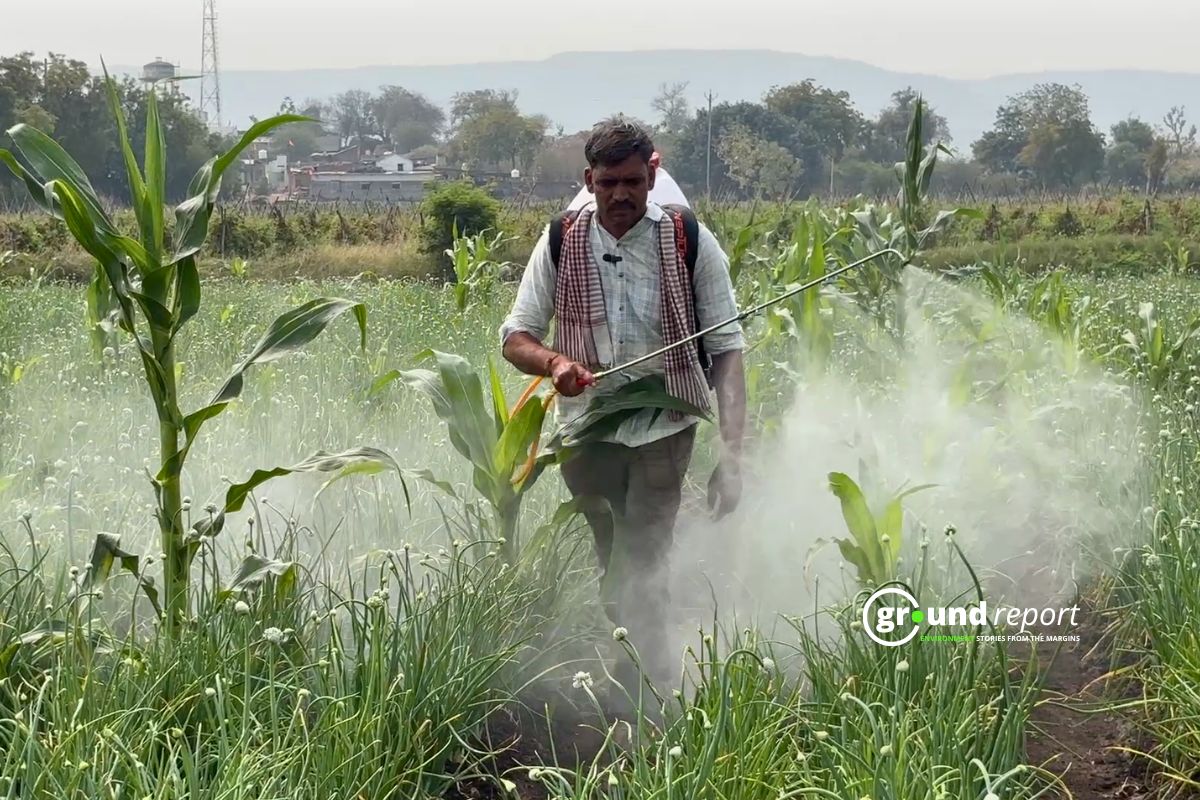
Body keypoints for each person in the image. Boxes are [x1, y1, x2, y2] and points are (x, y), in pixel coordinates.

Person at [499, 116, 747, 686]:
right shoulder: (561, 238)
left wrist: (735, 457)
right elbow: (516, 337)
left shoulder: (688, 240)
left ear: (652, 175)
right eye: (608, 183)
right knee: (612, 552)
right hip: (587, 429)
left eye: (633, 182)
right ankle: (636, 655)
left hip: (664, 421)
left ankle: (651, 681)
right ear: (589, 180)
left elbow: (728, 353)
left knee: (646, 550)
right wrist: (556, 364)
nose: (620, 195)